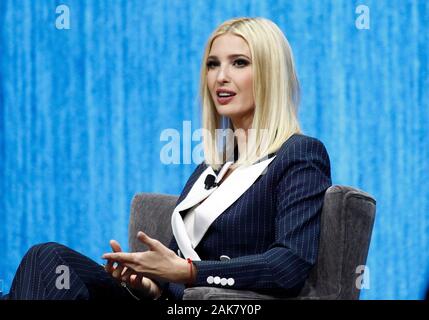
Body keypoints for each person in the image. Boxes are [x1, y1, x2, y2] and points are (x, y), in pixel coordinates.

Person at [4, 17, 332, 300]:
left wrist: (189, 271)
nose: (221, 77)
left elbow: (289, 265)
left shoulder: (300, 154)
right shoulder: (209, 169)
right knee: (49, 262)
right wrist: (151, 285)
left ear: (270, 74)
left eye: (239, 63)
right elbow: (173, 272)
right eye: (213, 64)